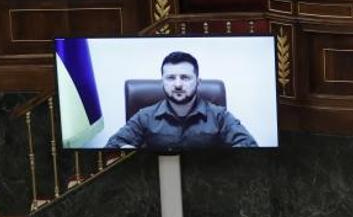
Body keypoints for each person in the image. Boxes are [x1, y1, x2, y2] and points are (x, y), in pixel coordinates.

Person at [105, 51, 257, 150]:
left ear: (198, 82)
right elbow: (111, 148)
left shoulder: (219, 116)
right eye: (171, 78)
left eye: (185, 77)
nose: (178, 84)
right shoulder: (144, 116)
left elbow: (249, 146)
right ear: (162, 82)